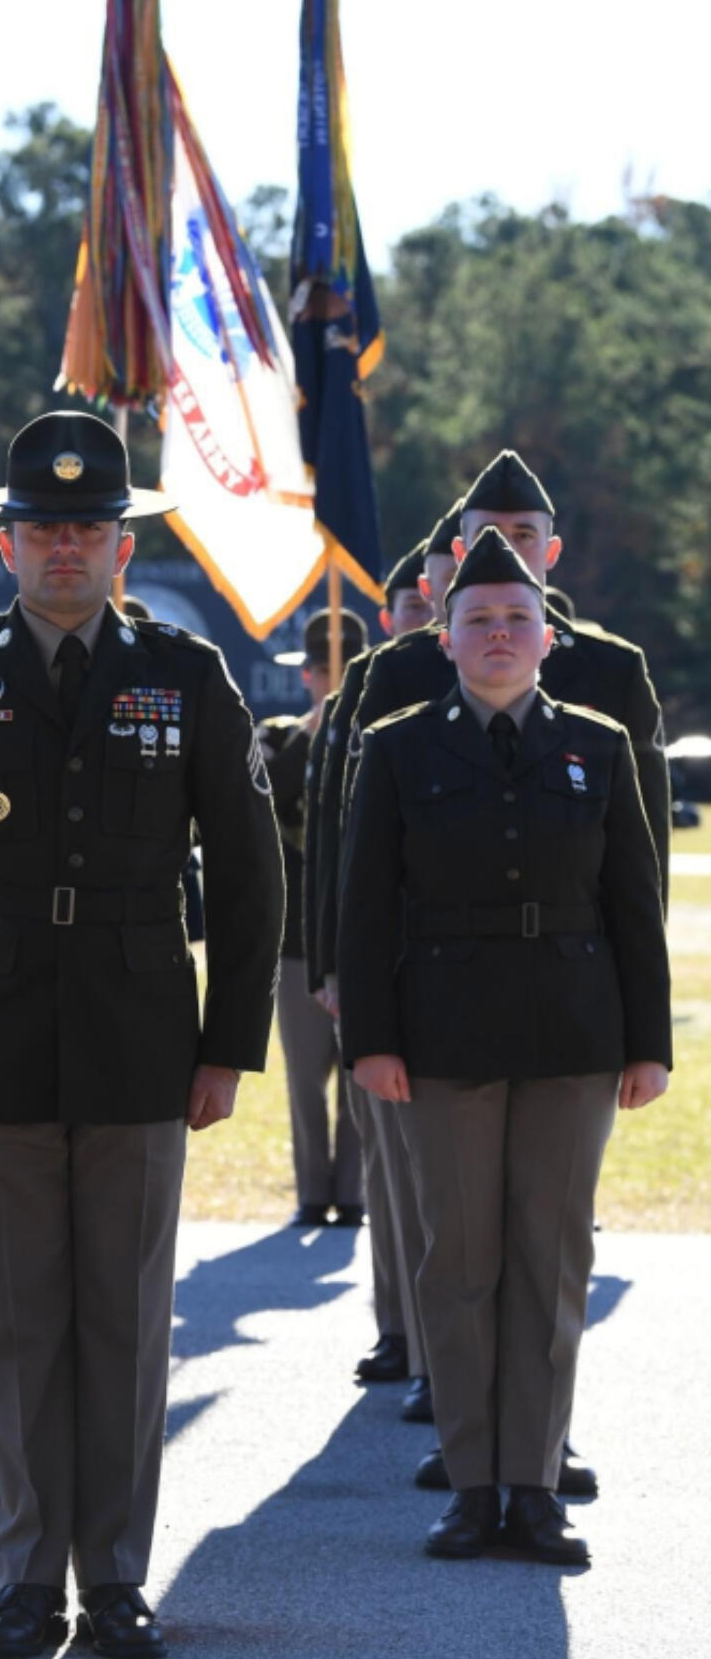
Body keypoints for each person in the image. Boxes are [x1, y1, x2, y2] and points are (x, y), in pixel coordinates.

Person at [0, 409, 284, 1659]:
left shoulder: (186, 674)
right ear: (5, 545)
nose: (63, 549)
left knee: (128, 1321)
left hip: (140, 1035)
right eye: (41, 529)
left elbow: (251, 873)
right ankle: (23, 1571)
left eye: (87, 529)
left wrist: (226, 1045)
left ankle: (112, 1576)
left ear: (119, 546)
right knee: (21, 1321)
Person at [338, 525, 669, 1565]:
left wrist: (647, 1043)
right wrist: (372, 1040)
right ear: (444, 637)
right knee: (458, 1260)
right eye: (474, 619)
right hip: (442, 1033)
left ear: (544, 637)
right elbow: (362, 909)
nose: (495, 634)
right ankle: (470, 1484)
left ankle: (533, 1488)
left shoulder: (597, 745)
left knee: (550, 1257)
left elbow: (632, 906)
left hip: (572, 1034)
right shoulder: (393, 746)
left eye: (514, 619)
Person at [305, 533, 441, 1388]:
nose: (425, 619)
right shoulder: (373, 683)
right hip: (385, 967)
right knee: (394, 1172)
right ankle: (404, 1330)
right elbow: (330, 832)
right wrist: (331, 964)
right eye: (418, 607)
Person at [263, 608, 368, 1226]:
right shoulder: (279, 735)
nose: (328, 680)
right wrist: (313, 731)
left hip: (356, 934)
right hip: (298, 934)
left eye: (341, 672)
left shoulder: (376, 737)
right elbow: (263, 795)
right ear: (305, 675)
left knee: (359, 1075)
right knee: (306, 1080)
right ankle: (311, 1190)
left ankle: (353, 1192)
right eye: (322, 671)